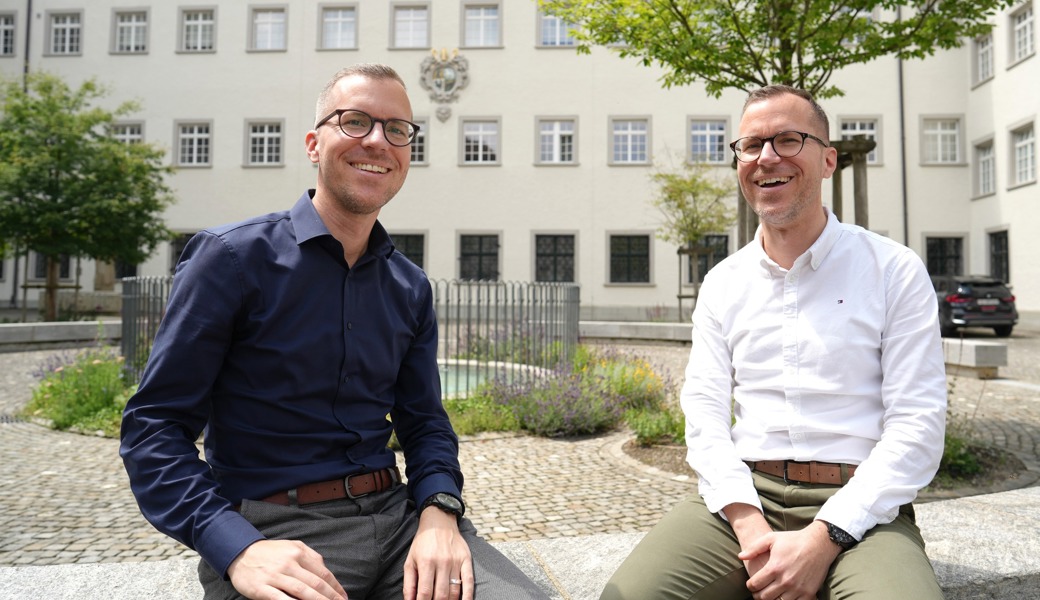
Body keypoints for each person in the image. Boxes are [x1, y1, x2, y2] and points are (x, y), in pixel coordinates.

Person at [120, 63, 548, 600]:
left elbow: (425, 424)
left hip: (400, 524)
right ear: (312, 143)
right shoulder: (230, 259)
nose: (377, 141)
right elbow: (154, 427)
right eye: (354, 121)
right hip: (275, 531)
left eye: (397, 130)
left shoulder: (409, 286)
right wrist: (236, 546)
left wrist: (440, 508)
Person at [600, 85, 947, 600]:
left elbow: (917, 425)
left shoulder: (892, 270)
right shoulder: (723, 282)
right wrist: (748, 524)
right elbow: (704, 412)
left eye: (788, 140)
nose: (766, 158)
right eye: (751, 145)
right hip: (743, 499)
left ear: (828, 160)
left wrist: (825, 537)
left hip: (862, 505)